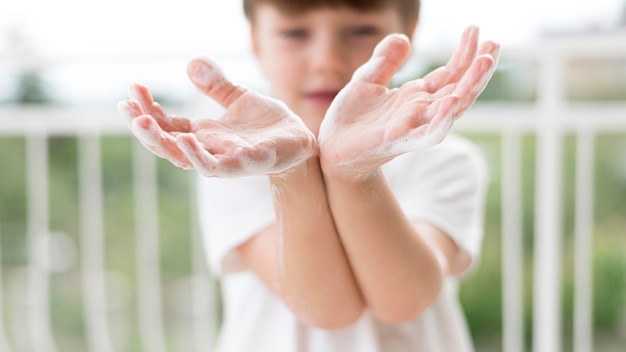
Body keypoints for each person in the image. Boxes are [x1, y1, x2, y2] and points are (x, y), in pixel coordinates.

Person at [118, 0, 500, 350]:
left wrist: (352, 173)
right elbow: (328, 309)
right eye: (294, 33)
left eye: (361, 30)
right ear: (256, 41)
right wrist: (292, 169)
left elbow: (406, 299)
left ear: (409, 33)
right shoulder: (236, 162)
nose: (326, 60)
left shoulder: (444, 160)